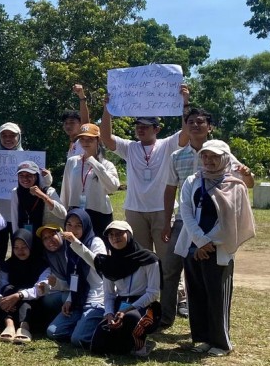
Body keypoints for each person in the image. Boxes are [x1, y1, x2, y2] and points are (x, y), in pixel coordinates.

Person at [162, 107, 253, 328]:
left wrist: (249, 175)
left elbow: (246, 183)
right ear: (185, 126)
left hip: (215, 224)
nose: (195, 125)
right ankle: (166, 317)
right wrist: (167, 222)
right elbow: (169, 190)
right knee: (171, 268)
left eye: (200, 121)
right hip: (185, 221)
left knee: (207, 273)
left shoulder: (224, 154)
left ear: (209, 127)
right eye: (190, 121)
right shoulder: (176, 156)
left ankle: (207, 326)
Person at [176, 140, 255, 356]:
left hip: (218, 248)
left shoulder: (235, 185)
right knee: (196, 293)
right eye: (205, 156)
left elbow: (232, 220)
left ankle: (220, 343)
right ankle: (201, 338)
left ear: (226, 159)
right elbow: (186, 211)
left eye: (215, 157)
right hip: (194, 246)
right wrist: (200, 241)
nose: (209, 161)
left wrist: (209, 243)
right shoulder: (193, 180)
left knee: (217, 295)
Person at [100, 86, 190, 252]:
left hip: (162, 210)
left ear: (156, 129)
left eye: (146, 126)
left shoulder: (167, 145)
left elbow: (186, 133)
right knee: (142, 257)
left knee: (166, 257)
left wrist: (185, 103)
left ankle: (168, 280)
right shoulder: (130, 147)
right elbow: (105, 137)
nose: (140, 129)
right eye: (138, 126)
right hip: (135, 211)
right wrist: (107, 109)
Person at [88, 221, 161, 357]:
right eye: (111, 235)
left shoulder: (149, 259)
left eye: (119, 234)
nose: (115, 238)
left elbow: (153, 293)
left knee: (130, 318)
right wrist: (109, 314)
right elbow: (109, 294)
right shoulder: (108, 263)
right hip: (120, 304)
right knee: (97, 345)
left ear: (129, 234)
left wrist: (128, 309)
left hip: (144, 305)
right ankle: (125, 343)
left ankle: (141, 344)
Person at [52, 210, 108, 348]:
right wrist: (70, 299)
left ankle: (95, 326)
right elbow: (74, 277)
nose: (72, 230)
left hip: (96, 298)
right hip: (78, 299)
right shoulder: (68, 246)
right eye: (69, 225)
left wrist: (76, 243)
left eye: (78, 225)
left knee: (78, 339)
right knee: (53, 332)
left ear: (86, 226)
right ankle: (83, 324)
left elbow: (98, 265)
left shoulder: (95, 242)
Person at [60, 124, 120, 238]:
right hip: (76, 211)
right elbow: (66, 188)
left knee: (99, 249)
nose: (85, 142)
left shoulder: (106, 164)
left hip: (99, 212)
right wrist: (64, 212)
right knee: (76, 246)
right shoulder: (72, 161)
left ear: (98, 140)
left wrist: (94, 163)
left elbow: (113, 187)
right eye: (82, 139)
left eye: (90, 139)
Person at [0, 229, 47, 344]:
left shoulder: (42, 265)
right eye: (16, 247)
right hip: (10, 305)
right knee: (7, 289)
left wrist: (19, 295)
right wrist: (0, 300)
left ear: (31, 246)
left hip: (33, 305)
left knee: (23, 293)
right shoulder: (8, 264)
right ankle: (10, 325)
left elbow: (39, 289)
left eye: (24, 247)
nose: (20, 251)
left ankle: (24, 327)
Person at [10, 160, 67, 238]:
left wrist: (43, 196)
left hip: (45, 238)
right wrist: (16, 238)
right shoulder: (16, 192)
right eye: (21, 175)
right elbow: (14, 218)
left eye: (29, 175)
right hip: (24, 238)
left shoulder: (48, 191)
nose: (25, 179)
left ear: (36, 176)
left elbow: (63, 214)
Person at [62, 84, 92, 159]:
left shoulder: (84, 140)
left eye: (72, 122)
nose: (68, 126)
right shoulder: (72, 145)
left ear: (80, 124)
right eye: (66, 123)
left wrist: (82, 97)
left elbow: (85, 122)